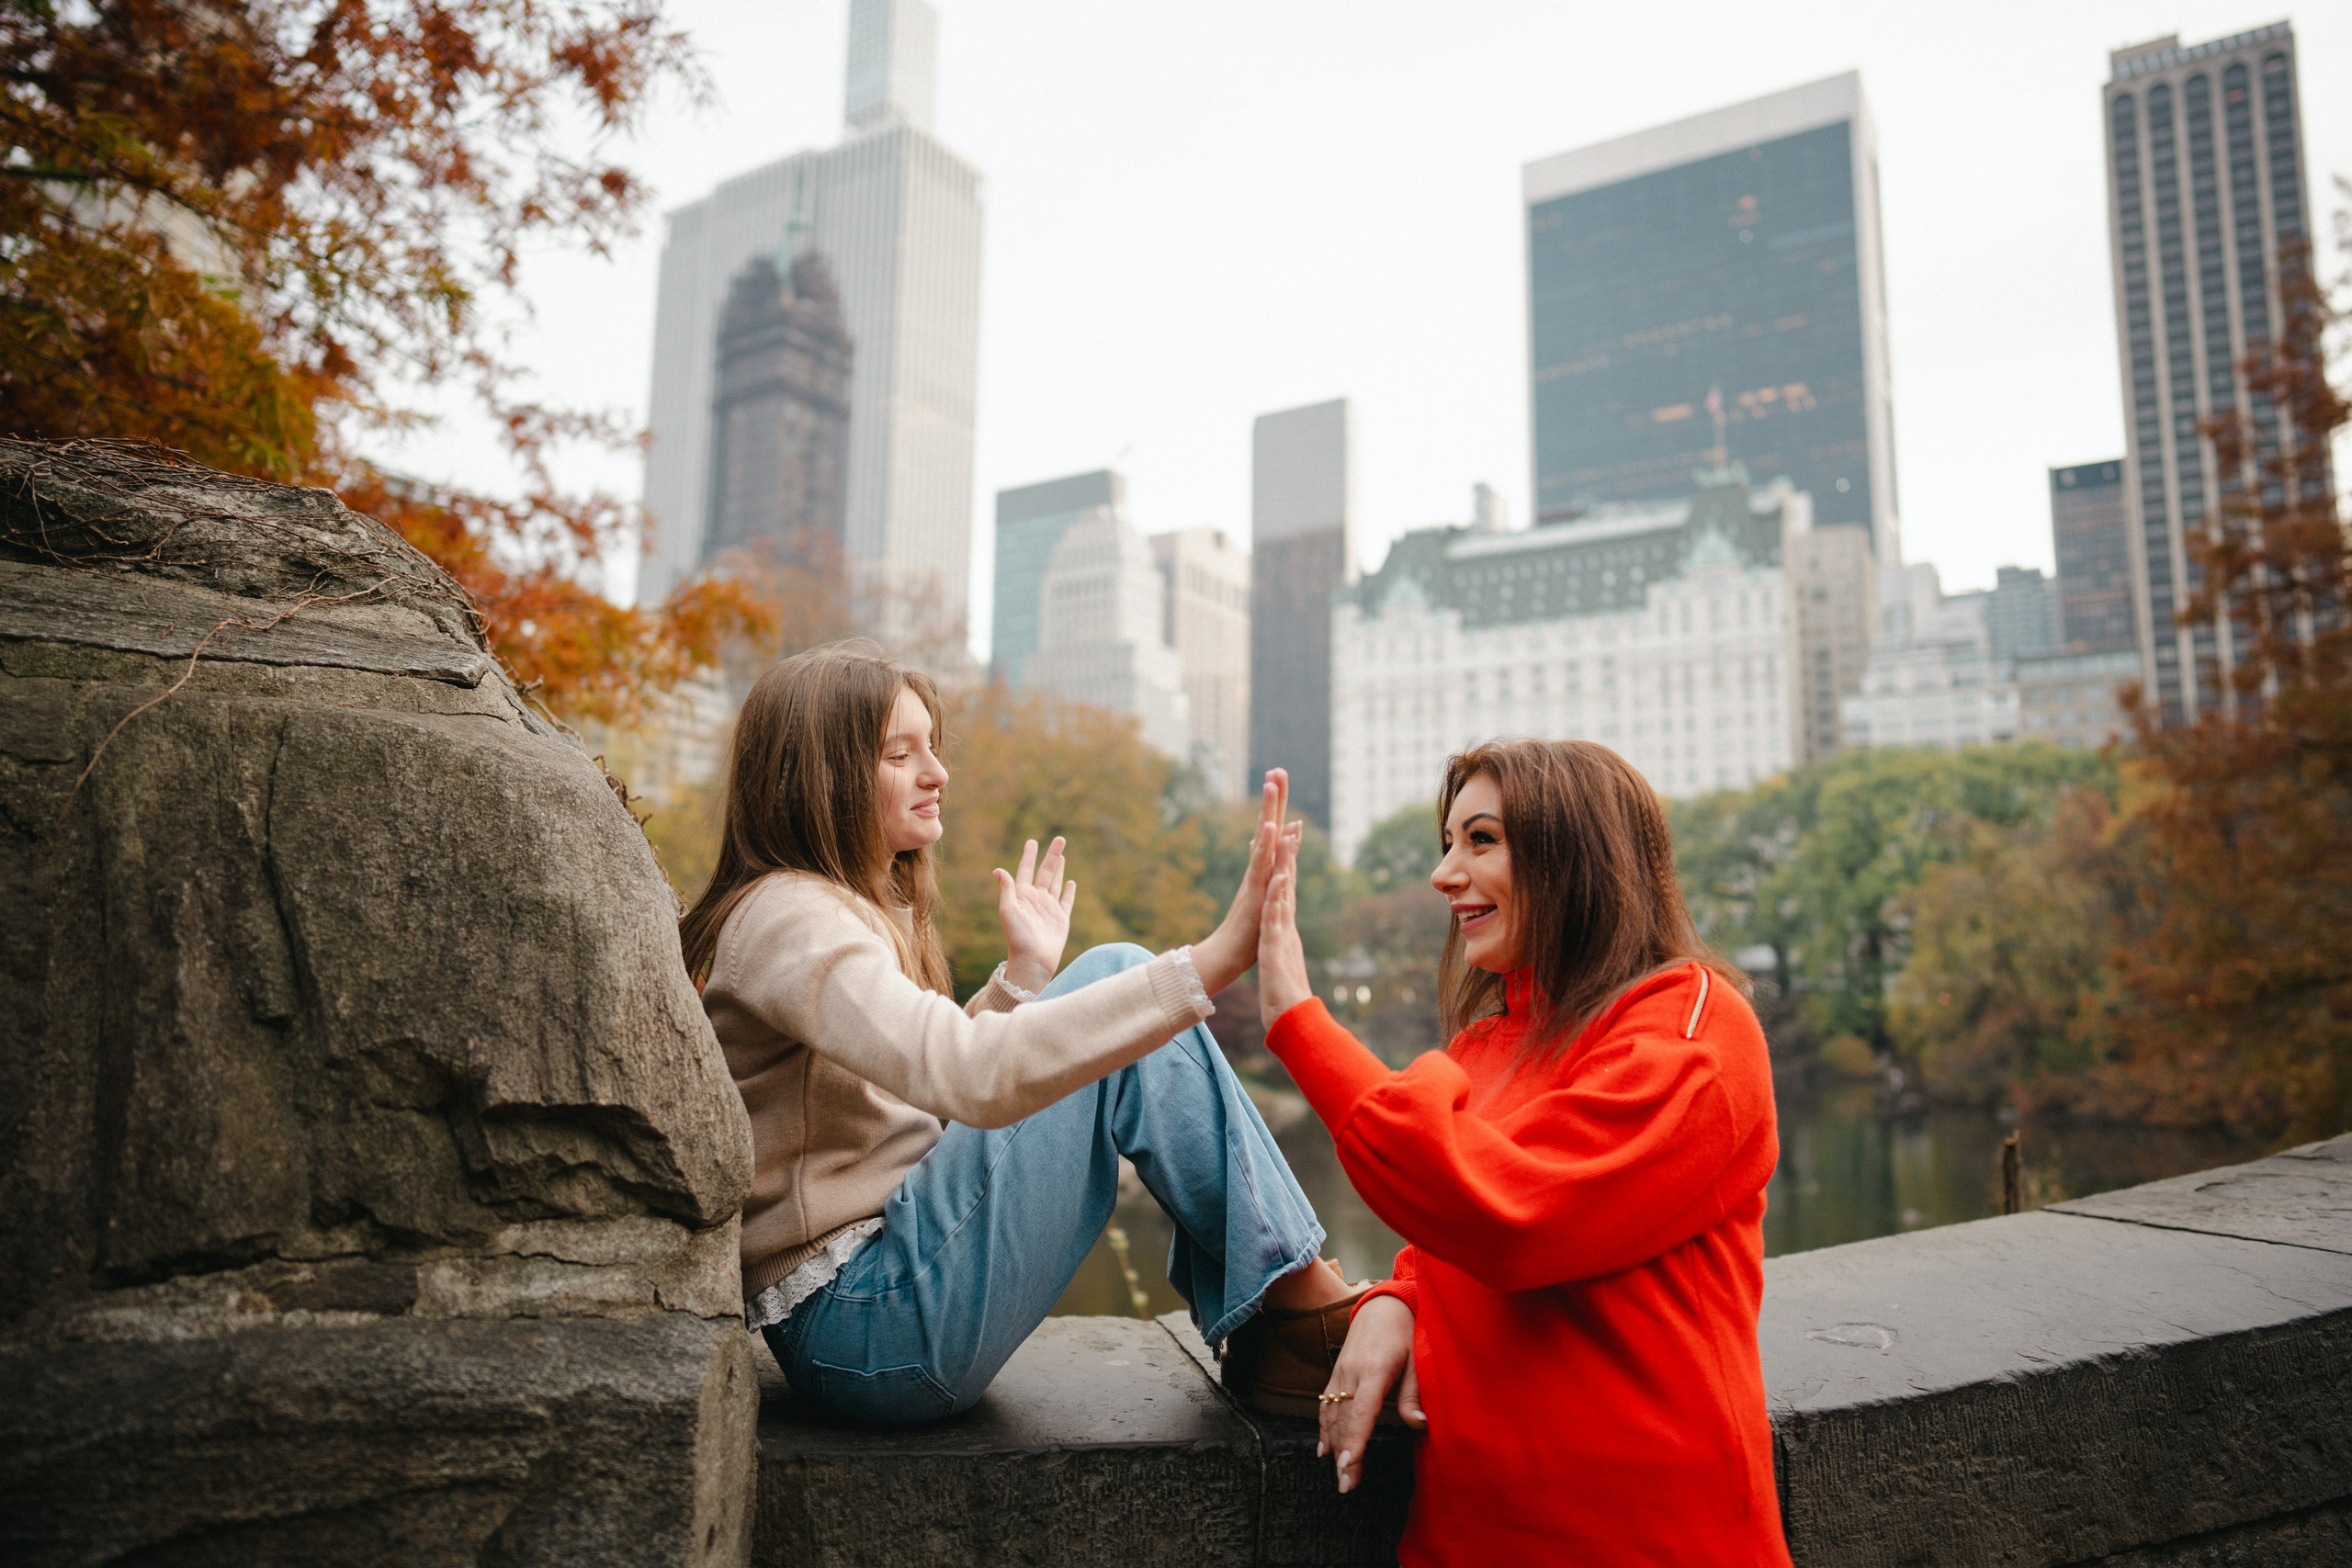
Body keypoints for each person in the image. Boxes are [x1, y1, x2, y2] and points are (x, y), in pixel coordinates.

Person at [678, 640, 1363, 1423]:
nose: (937, 773)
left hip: (880, 1309)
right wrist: (1208, 963)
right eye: (902, 754)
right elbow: (969, 1078)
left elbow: (926, 1104)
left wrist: (1023, 979)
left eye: (932, 747)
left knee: (1111, 977)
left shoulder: (829, 912)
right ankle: (1310, 1314)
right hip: (864, 1321)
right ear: (822, 780)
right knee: (1118, 972)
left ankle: (1293, 1317)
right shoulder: (791, 919)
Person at [1253, 739, 1792, 1565]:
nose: (1443, 874)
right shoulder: (1482, 1047)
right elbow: (1450, 1228)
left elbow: (1513, 1212)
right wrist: (1396, 1295)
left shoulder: (1695, 1029)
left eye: (1480, 840)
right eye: (1447, 844)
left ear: (1576, 854)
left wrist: (1298, 1017)